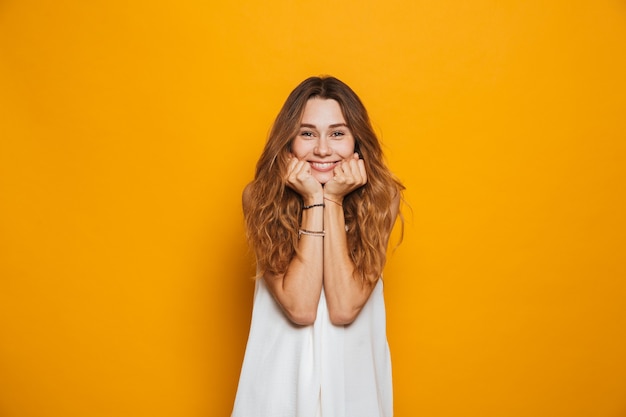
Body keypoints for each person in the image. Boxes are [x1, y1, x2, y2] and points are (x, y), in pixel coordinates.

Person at [231, 76, 404, 417]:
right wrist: (314, 198)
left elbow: (343, 307)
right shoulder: (260, 197)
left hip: (353, 389)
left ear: (357, 142)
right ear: (289, 143)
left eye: (337, 133)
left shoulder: (383, 198)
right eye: (307, 133)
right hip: (279, 390)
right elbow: (300, 308)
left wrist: (333, 201)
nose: (323, 149)